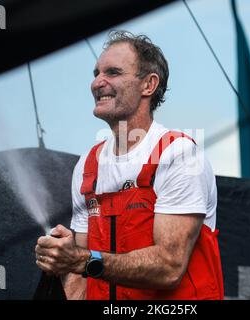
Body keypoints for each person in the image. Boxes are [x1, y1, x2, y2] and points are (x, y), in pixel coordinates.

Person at [35, 31, 224, 300]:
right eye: (96, 73)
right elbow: (79, 276)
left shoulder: (178, 154)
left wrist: (81, 260)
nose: (97, 83)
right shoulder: (88, 166)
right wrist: (65, 258)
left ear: (148, 85)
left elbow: (169, 267)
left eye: (112, 72)